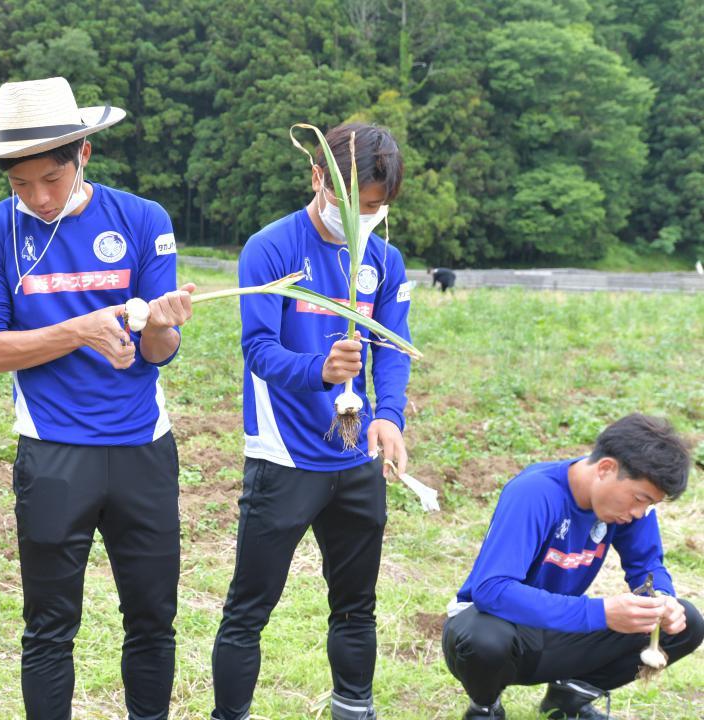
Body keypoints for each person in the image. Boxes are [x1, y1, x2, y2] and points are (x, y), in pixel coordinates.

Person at [0, 76, 194, 720]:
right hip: (53, 454)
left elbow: (156, 351)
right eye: (20, 184)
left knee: (151, 618)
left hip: (142, 447)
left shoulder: (143, 220)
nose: (37, 197)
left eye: (50, 181)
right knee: (50, 626)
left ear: (82, 154)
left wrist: (163, 324)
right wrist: (80, 331)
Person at [211, 122, 412, 720]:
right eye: (359, 204)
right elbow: (259, 350)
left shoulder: (382, 258)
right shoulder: (272, 248)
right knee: (250, 606)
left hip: (355, 460)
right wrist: (318, 369)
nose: (367, 217)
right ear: (320, 177)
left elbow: (393, 346)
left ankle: (354, 707)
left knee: (357, 605)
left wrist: (390, 417)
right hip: (286, 457)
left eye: (378, 208)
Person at [442, 414, 703, 720]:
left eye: (649, 505)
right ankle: (485, 706)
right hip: (499, 628)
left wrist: (661, 598)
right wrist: (600, 612)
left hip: (559, 632)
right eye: (639, 499)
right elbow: (492, 590)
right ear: (606, 468)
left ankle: (568, 699)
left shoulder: (630, 510)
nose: (639, 513)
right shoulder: (535, 493)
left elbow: (646, 565)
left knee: (688, 623)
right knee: (484, 640)